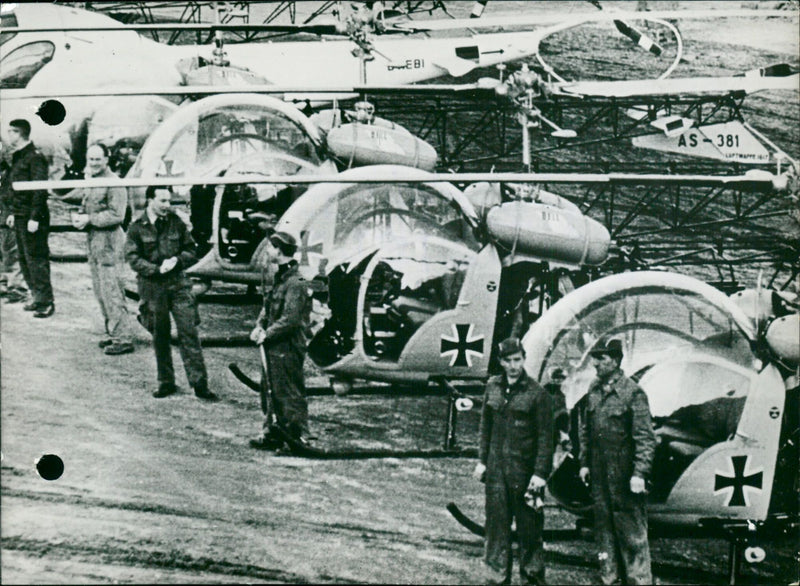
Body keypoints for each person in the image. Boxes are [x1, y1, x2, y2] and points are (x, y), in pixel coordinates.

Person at [473, 336, 554, 585]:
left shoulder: (538, 394)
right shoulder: (493, 387)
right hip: (496, 474)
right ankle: (496, 579)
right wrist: (482, 460)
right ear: (500, 362)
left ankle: (532, 579)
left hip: (526, 475)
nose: (513, 366)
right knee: (496, 531)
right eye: (508, 361)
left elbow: (546, 439)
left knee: (530, 532)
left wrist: (540, 474)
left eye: (517, 360)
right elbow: (485, 426)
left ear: (524, 359)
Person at [125, 185, 218, 401]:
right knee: (160, 335)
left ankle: (199, 383)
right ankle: (165, 382)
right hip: (152, 287)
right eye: (163, 201)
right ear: (150, 200)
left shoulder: (176, 222)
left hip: (178, 284)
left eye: (169, 201)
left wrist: (177, 260)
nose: (168, 205)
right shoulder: (136, 227)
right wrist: (156, 270)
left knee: (189, 332)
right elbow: (132, 258)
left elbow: (191, 249)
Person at [579, 338, 656, 585]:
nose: (596, 363)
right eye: (595, 358)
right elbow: (585, 431)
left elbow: (645, 438)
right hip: (599, 474)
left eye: (601, 358)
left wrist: (639, 474)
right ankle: (608, 579)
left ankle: (639, 581)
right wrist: (584, 463)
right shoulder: (593, 390)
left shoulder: (633, 393)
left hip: (624, 475)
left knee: (632, 535)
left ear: (616, 360)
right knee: (604, 533)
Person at [249, 231, 312, 450]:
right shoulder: (280, 277)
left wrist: (268, 333)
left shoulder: (297, 281)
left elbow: (291, 320)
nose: (266, 251)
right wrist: (259, 325)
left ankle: (296, 435)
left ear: (279, 251)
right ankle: (272, 433)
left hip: (287, 347)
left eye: (269, 247)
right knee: (270, 390)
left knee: (288, 392)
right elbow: (268, 307)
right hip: (273, 346)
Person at [71, 143, 135, 355]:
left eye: (98, 159)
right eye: (91, 159)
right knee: (100, 291)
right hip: (94, 241)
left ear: (107, 160)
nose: (94, 163)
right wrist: (80, 216)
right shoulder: (92, 180)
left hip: (110, 242)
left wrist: (89, 219)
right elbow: (87, 205)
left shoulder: (114, 183)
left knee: (112, 290)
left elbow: (117, 215)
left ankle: (123, 338)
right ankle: (112, 332)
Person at [3, 119, 54, 317]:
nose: (9, 136)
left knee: (36, 258)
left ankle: (46, 301)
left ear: (20, 133)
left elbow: (39, 190)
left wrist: (35, 217)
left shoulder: (34, 157)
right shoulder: (18, 157)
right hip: (21, 215)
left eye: (11, 132)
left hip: (33, 217)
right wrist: (13, 214)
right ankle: (37, 296)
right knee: (25, 259)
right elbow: (14, 189)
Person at [0, 148, 28, 301]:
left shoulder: (10, 174)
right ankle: (3, 283)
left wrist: (12, 213)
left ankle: (17, 288)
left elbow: (16, 196)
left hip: (7, 217)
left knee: (12, 252)